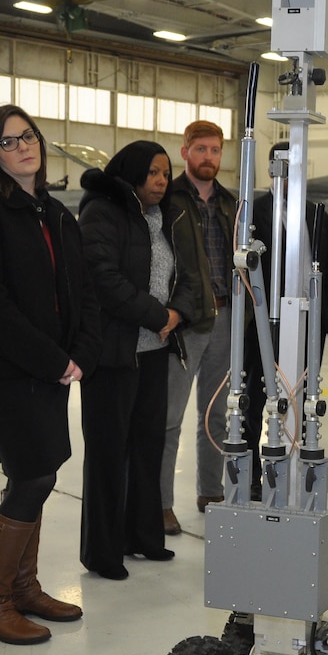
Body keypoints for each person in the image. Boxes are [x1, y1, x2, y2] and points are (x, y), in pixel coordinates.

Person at [0, 104, 101, 644]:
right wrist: (53, 360)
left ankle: (22, 588)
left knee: (38, 472)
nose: (23, 147)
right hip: (1, 372)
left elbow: (81, 292)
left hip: (49, 370)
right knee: (33, 475)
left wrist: (80, 353)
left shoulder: (55, 213)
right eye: (8, 141)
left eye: (28, 136)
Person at [77, 141, 197, 579]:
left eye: (166, 173)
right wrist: (158, 316)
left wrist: (177, 312)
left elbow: (186, 274)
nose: (162, 180)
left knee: (147, 448)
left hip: (155, 352)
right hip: (113, 354)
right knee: (109, 454)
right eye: (153, 172)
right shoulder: (102, 212)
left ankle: (143, 538)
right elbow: (103, 278)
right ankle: (103, 553)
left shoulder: (164, 216)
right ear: (130, 172)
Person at [244, 142, 328, 499]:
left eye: (296, 166)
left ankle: (300, 467)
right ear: (271, 169)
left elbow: (327, 269)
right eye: (282, 165)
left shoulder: (315, 212)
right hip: (264, 322)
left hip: (308, 323)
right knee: (258, 397)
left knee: (304, 397)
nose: (288, 173)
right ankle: (254, 474)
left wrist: (325, 318)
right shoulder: (254, 210)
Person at [162, 120, 237, 532]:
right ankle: (161, 504)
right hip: (185, 322)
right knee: (169, 417)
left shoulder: (230, 202)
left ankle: (211, 490)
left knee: (216, 415)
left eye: (215, 150)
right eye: (201, 149)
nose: (209, 157)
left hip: (224, 319)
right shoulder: (168, 199)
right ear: (185, 151)